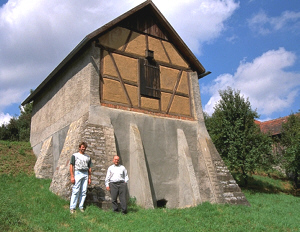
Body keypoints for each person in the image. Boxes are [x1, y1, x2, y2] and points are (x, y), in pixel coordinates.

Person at [69, 142, 92, 214]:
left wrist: (89, 177)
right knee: (76, 190)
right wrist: (72, 176)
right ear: (79, 147)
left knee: (83, 191)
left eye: (84, 147)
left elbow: (90, 168)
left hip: (85, 173)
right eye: (82, 147)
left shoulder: (88, 157)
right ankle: (72, 207)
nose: (83, 148)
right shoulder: (75, 155)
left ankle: (81, 206)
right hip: (78, 172)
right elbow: (71, 166)